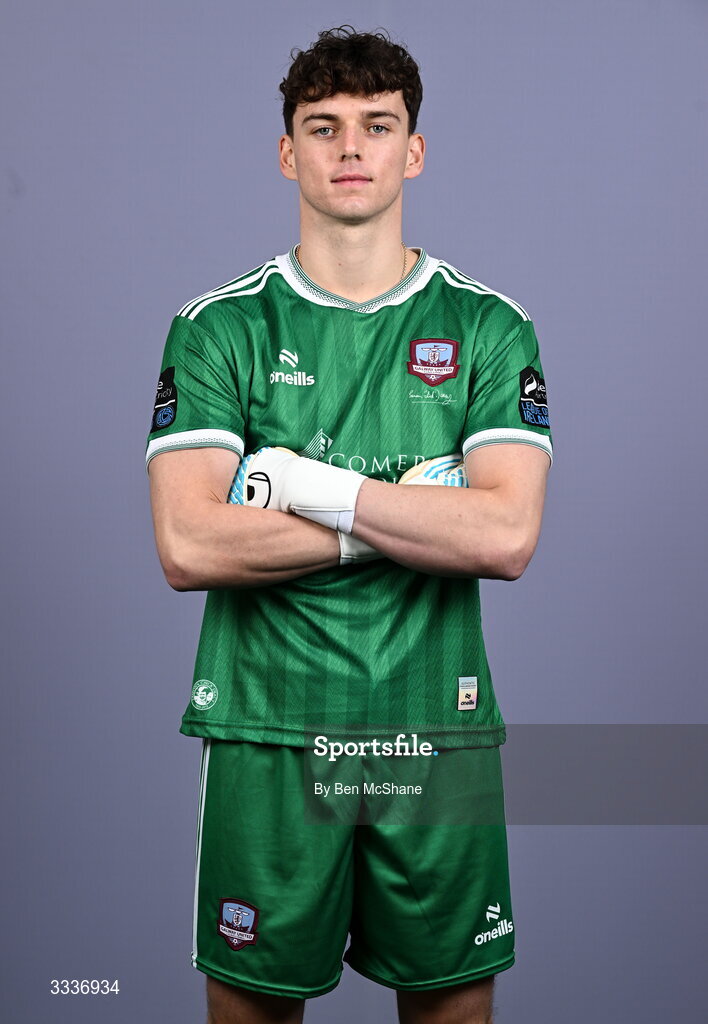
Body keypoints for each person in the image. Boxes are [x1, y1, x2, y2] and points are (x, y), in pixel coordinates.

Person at [146, 25, 552, 1024]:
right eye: (322, 128)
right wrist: (421, 510)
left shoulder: (491, 327)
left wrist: (298, 484)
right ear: (288, 152)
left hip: (436, 733)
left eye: (378, 125)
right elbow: (190, 543)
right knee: (251, 1007)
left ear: (415, 149)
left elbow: (504, 536)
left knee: (453, 1005)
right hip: (268, 729)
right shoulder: (219, 328)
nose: (350, 148)